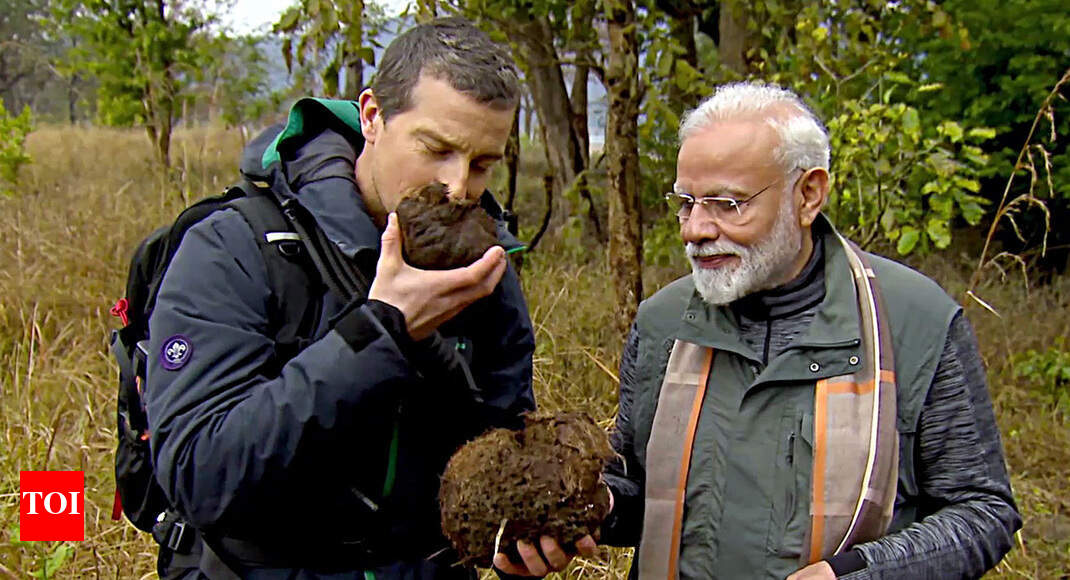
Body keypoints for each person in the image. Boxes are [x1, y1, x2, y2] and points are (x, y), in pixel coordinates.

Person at [145, 17, 577, 579]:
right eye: (437, 149)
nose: (458, 186)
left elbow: (495, 445)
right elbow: (200, 474)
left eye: (483, 164)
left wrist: (520, 530)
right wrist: (380, 332)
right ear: (373, 117)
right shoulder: (236, 247)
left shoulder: (485, 269)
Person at [597, 82, 1022, 579]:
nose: (695, 229)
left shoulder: (916, 323)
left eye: (726, 204)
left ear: (808, 195)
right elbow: (636, 490)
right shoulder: (662, 324)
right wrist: (581, 509)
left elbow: (982, 512)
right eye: (687, 202)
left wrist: (859, 573)